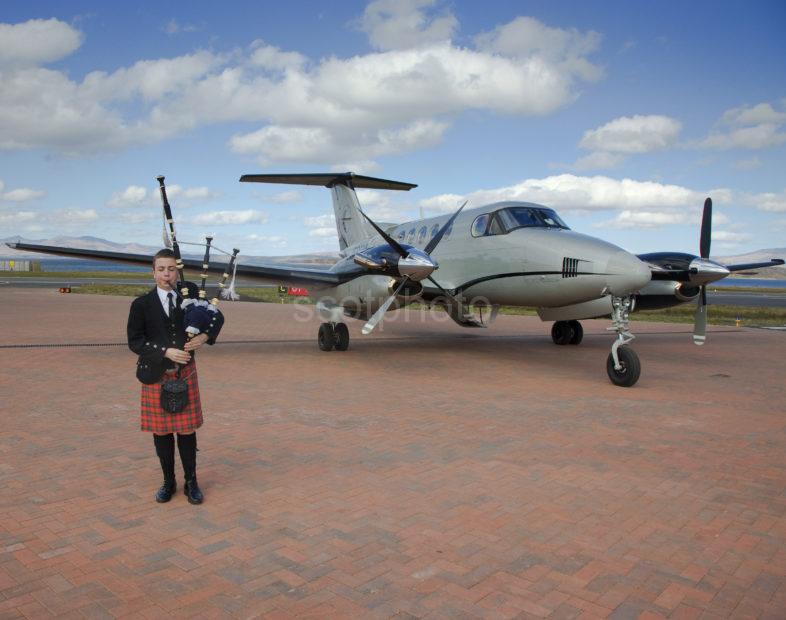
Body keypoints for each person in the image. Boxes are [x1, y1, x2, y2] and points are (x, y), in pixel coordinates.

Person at [127, 249, 224, 504]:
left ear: (176, 271)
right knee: (161, 433)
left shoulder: (189, 294)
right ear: (153, 272)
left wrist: (205, 336)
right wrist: (165, 351)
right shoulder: (141, 304)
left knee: (186, 431)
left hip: (185, 374)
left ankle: (191, 482)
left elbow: (216, 316)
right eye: (161, 269)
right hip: (157, 374)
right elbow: (135, 342)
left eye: (171, 269)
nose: (166, 274)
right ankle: (168, 482)